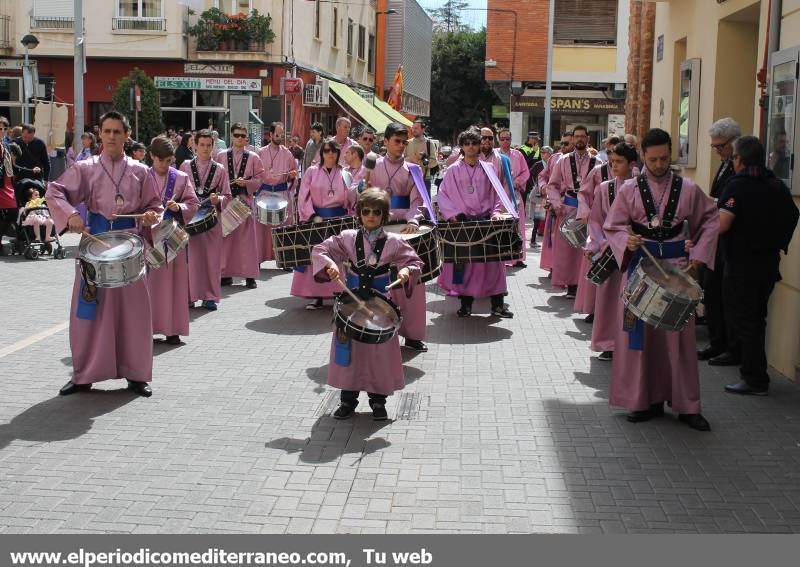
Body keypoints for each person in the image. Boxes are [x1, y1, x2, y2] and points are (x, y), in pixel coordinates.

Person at [603, 128, 718, 431]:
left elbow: (710, 218)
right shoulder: (628, 189)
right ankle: (644, 400)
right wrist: (624, 240)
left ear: (670, 153)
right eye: (652, 159)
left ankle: (687, 405)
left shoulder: (689, 189)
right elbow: (612, 225)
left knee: (679, 339)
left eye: (664, 158)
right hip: (641, 265)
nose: (658, 164)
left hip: (677, 268)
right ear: (642, 155)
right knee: (640, 338)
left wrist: (700, 255)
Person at [45, 110, 162, 397]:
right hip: (94, 244)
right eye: (106, 131)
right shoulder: (86, 167)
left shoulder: (141, 170)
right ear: (100, 134)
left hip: (130, 247)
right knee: (89, 312)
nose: (111, 136)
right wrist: (71, 214)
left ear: (127, 135)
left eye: (117, 132)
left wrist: (150, 216)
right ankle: (84, 374)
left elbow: (155, 205)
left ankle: (136, 375)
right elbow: (54, 191)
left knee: (134, 313)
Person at [311, 188, 423, 420]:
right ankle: (347, 400)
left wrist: (405, 271)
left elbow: (414, 262)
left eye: (376, 212)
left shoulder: (394, 241)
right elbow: (321, 249)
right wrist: (329, 264)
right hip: (351, 304)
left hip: (381, 306)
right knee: (349, 351)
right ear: (359, 213)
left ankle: (378, 401)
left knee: (378, 353)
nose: (370, 216)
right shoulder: (347, 237)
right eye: (366, 211)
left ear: (384, 215)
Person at [719, 136, 799, 396]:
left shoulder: (737, 185)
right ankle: (755, 374)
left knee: (746, 320)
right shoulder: (776, 184)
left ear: (739, 159)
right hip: (767, 263)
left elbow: (723, 223)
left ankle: (754, 378)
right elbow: (792, 215)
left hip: (742, 264)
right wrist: (778, 242)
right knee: (757, 318)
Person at [437, 128, 512, 318]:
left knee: (494, 264)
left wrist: (496, 213)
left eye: (474, 143)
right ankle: (466, 304)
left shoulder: (489, 168)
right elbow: (443, 195)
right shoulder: (452, 170)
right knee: (465, 264)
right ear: (461, 147)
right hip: (463, 223)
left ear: (479, 145)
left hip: (486, 222)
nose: (471, 147)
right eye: (467, 143)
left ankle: (497, 304)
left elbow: (498, 194)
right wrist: (453, 216)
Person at [368, 122, 429, 352]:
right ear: (385, 141)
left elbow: (417, 200)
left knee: (411, 281)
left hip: (404, 231)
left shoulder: (413, 169)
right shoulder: (372, 165)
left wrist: (414, 220)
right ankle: (379, 328)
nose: (402, 145)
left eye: (405, 142)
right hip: (378, 229)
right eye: (397, 141)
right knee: (379, 280)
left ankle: (413, 335)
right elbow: (361, 193)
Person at [585, 142, 638, 361]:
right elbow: (596, 220)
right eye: (612, 161)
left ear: (631, 164)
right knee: (607, 300)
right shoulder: (605, 187)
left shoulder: (640, 187)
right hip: (608, 251)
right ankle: (608, 343)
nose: (614, 166)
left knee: (630, 298)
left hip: (633, 250)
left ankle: (629, 344)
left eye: (619, 162)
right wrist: (594, 244)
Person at [145, 136, 199, 346]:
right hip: (149, 237)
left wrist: (181, 207)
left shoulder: (181, 178)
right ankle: (147, 328)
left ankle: (173, 329)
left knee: (175, 284)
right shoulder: (141, 176)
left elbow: (193, 203)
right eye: (162, 161)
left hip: (173, 237)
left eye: (170, 161)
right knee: (149, 285)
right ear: (151, 156)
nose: (166, 165)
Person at [291, 138, 357, 309]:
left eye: (334, 151)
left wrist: (359, 191)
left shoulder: (346, 174)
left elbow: (351, 200)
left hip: (339, 220)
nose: (330, 154)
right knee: (317, 257)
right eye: (326, 151)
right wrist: (310, 215)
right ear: (321, 153)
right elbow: (303, 195)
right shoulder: (312, 171)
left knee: (339, 259)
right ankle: (317, 295)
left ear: (337, 153)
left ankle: (339, 293)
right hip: (317, 219)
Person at [699, 117, 742, 365]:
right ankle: (717, 343)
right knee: (712, 292)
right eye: (714, 147)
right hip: (716, 237)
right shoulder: (726, 163)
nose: (716, 151)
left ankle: (727, 346)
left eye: (720, 146)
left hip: (729, 241)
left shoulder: (738, 166)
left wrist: (713, 204)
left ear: (733, 143)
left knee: (725, 297)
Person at [180, 129, 231, 311]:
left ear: (213, 146)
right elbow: (180, 192)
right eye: (201, 145)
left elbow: (227, 195)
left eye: (208, 145)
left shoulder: (220, 169)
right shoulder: (185, 166)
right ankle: (190, 295)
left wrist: (220, 200)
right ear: (194, 145)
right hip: (191, 217)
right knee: (191, 259)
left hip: (211, 218)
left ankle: (210, 296)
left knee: (211, 258)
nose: (205, 148)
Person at [546, 126, 596, 298]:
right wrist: (556, 203)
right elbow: (552, 185)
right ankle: (571, 286)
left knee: (585, 250)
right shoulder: (563, 161)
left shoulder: (598, 163)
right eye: (577, 136)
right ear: (573, 139)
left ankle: (585, 287)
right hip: (567, 207)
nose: (580, 139)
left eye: (583, 136)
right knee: (567, 251)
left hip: (589, 212)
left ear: (588, 138)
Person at [220, 122, 264, 289]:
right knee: (227, 239)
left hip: (244, 201)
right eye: (237, 135)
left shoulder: (254, 157)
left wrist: (246, 183)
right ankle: (225, 274)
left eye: (243, 136)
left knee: (247, 241)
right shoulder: (221, 155)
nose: (240, 138)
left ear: (247, 138)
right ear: (231, 136)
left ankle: (249, 276)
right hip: (227, 201)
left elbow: (260, 180)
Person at [256, 122, 298, 264]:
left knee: (284, 226)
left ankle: (284, 259)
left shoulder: (287, 153)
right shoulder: (260, 152)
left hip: (281, 193)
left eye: (282, 135)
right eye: (277, 135)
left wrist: (292, 175)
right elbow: (254, 174)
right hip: (264, 193)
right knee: (261, 227)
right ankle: (258, 259)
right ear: (271, 135)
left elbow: (294, 174)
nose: (280, 137)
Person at [539, 135, 573, 274]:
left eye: (567, 143)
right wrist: (544, 187)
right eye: (562, 143)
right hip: (554, 205)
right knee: (552, 238)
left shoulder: (586, 161)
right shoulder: (554, 158)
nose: (564, 146)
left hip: (571, 205)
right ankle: (554, 267)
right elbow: (542, 176)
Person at [497, 127, 530, 268]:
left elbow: (526, 172)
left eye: (508, 139)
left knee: (518, 225)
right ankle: (501, 256)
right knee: (501, 225)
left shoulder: (518, 155)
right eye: (502, 139)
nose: (505, 141)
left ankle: (518, 256)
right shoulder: (494, 155)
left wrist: (517, 182)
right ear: (499, 140)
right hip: (498, 196)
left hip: (515, 193)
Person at [13, 124, 50, 206]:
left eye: (30, 138)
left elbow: (46, 163)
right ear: (21, 132)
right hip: (21, 178)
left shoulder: (40, 143)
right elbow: (13, 164)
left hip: (37, 178)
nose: (27, 140)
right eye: (25, 137)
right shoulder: (15, 143)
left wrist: (46, 180)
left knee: (39, 201)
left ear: (33, 135)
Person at [404, 119, 440, 191]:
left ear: (423, 130)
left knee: (425, 202)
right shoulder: (407, 143)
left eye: (416, 128)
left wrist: (420, 161)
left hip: (424, 179)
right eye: (413, 128)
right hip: (409, 178)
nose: (413, 130)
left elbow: (434, 162)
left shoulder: (429, 143)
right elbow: (402, 160)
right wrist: (410, 159)